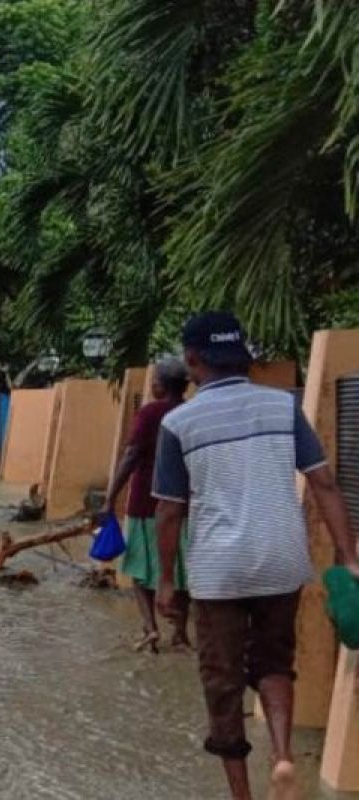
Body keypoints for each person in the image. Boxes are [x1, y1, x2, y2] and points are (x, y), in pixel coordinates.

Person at [154, 312, 359, 800]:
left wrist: (166, 580)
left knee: (222, 682)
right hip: (281, 559)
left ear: (192, 360)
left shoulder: (178, 422)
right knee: (274, 663)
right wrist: (349, 555)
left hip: (218, 573)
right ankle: (284, 756)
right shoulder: (279, 407)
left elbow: (167, 513)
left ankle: (242, 796)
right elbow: (325, 482)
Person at [103, 359, 191, 653]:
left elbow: (131, 456)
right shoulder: (191, 412)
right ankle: (180, 632)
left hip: (145, 502)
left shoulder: (150, 413)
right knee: (181, 570)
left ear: (160, 386)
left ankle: (150, 628)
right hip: (185, 504)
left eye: (154, 380)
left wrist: (110, 497)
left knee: (140, 569)